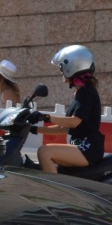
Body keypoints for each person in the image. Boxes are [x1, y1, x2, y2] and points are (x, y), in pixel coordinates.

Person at [35, 44, 105, 172]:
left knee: (44, 152)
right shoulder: (80, 93)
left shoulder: (87, 93)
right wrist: (34, 129)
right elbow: (64, 128)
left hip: (88, 149)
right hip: (81, 147)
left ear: (73, 66)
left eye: (62, 67)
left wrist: (46, 117)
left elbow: (73, 122)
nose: (61, 70)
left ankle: (53, 192)